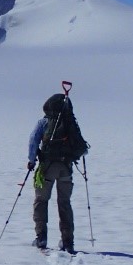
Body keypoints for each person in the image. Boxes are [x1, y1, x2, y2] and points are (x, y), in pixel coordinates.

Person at [28, 91, 88, 254]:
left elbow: (33, 140)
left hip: (47, 168)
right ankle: (68, 242)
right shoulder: (70, 124)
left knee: (41, 200)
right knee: (64, 203)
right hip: (65, 169)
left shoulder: (44, 122)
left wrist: (31, 161)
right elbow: (82, 148)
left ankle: (41, 237)